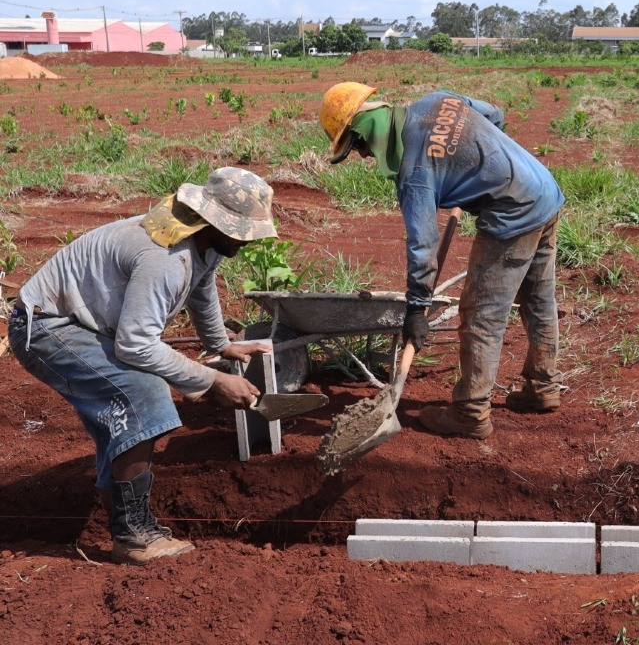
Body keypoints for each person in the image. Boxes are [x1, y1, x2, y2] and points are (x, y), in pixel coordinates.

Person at [9, 167, 277, 565]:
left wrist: (221, 344)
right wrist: (211, 379)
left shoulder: (198, 238)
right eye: (242, 229)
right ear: (216, 221)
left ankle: (122, 517)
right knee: (144, 392)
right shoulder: (166, 259)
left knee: (122, 408)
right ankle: (134, 537)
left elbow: (201, 289)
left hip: (78, 322)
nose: (246, 238)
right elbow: (135, 345)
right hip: (47, 326)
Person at [317, 83, 565, 440]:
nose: (364, 156)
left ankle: (470, 412)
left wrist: (417, 309)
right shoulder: (436, 101)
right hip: (543, 189)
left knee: (481, 314)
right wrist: (479, 161)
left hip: (513, 213)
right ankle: (543, 387)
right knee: (539, 299)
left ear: (364, 130)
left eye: (357, 147)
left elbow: (422, 245)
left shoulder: (415, 173)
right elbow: (495, 114)